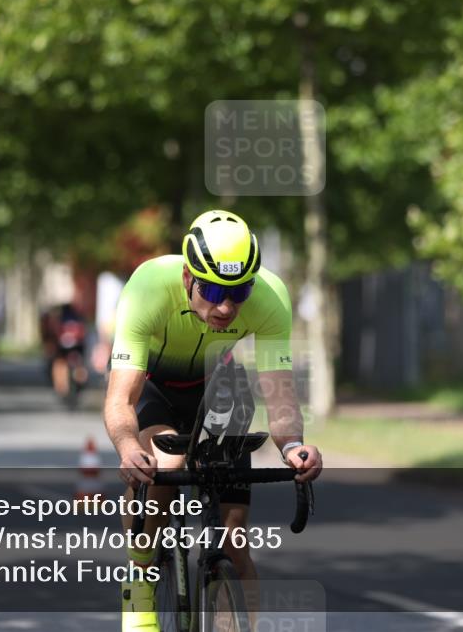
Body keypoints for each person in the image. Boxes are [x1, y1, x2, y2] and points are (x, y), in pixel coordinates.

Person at [103, 209, 323, 632]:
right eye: (211, 289)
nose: (225, 306)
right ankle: (142, 574)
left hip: (219, 388)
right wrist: (129, 449)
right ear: (188, 278)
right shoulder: (148, 287)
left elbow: (278, 393)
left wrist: (294, 447)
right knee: (166, 466)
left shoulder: (270, 297)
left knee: (234, 539)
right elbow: (120, 399)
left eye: (238, 293)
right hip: (156, 387)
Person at [51, 302, 89, 406]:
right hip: (77, 347)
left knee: (59, 363)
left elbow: (55, 334)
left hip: (63, 347)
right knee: (79, 364)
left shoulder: (60, 319)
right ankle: (81, 380)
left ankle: (61, 387)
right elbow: (83, 335)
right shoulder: (78, 318)